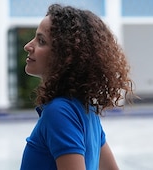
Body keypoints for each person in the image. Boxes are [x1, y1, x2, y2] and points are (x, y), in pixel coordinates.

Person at [20, 3, 134, 170]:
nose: (28, 46)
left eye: (41, 41)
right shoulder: (86, 111)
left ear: (65, 56)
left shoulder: (59, 112)